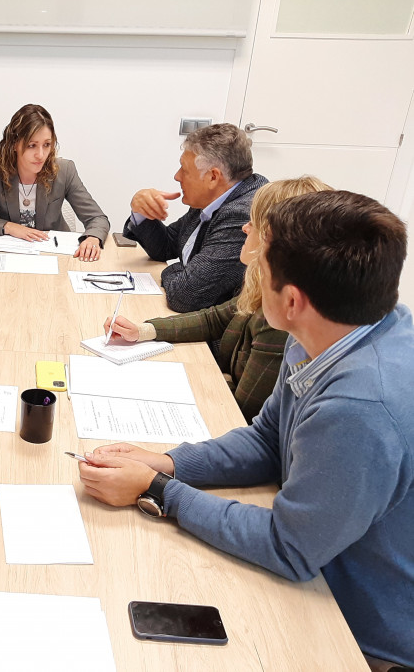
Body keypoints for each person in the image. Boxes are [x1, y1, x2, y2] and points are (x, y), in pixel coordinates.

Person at [79, 190, 414, 670]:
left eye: (264, 266)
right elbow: (265, 441)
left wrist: (157, 490)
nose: (253, 269)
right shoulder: (334, 329)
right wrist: (167, 462)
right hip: (321, 566)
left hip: (356, 635)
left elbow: (288, 547)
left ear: (292, 301)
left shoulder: (361, 407)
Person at [107, 177, 330, 424]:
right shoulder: (262, 285)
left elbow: (240, 415)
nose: (245, 228)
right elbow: (215, 317)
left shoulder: (282, 320)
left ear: (279, 242)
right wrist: (143, 330)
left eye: (253, 222)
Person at [123, 123, 268, 312]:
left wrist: (173, 269)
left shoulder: (242, 215)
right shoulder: (214, 198)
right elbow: (166, 247)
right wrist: (141, 212)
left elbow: (185, 296)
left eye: (184, 169)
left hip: (213, 336)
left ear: (213, 177)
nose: (177, 176)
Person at [0, 104, 110, 262]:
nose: (40, 155)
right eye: (32, 145)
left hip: (55, 255)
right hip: (12, 255)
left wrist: (92, 237)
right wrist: (8, 226)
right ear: (14, 144)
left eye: (46, 145)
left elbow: (97, 218)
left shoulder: (64, 170)